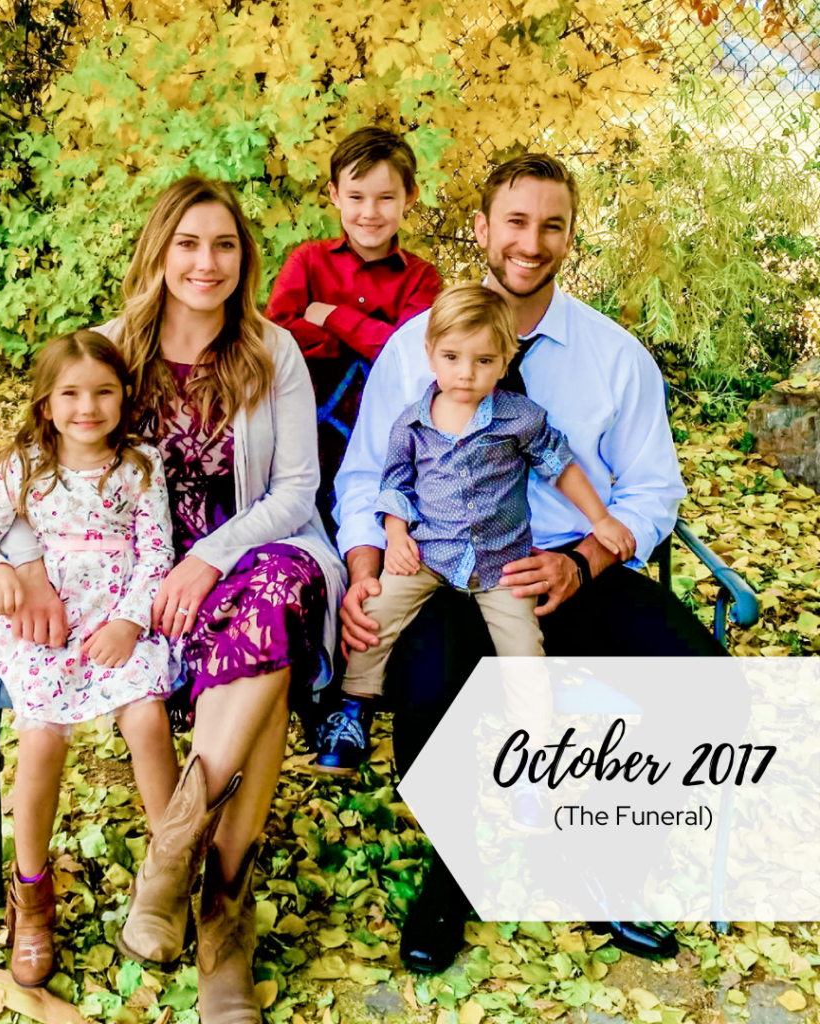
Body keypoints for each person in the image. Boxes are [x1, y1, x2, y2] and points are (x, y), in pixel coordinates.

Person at [332, 154, 745, 970]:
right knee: (424, 684)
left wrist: (586, 559)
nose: (531, 242)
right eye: (514, 222)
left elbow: (654, 490)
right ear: (482, 230)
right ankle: (454, 872)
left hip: (567, 570)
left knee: (705, 686)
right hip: (452, 566)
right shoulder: (420, 348)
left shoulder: (613, 355)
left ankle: (605, 861)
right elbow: (365, 476)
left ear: (568, 234)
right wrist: (370, 558)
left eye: (550, 225)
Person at [0, 177, 346, 1023]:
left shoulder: (273, 352)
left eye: (224, 244)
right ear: (158, 250)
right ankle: (223, 913)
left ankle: (175, 854)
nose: (206, 262)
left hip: (255, 556)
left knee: (275, 600)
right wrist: (31, 568)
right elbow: (21, 475)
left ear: (244, 259)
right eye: (189, 242)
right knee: (264, 681)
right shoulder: (106, 353)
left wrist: (207, 562)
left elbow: (296, 491)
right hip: (127, 591)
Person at [324, 284, 637, 810]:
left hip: (502, 563)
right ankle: (353, 708)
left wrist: (601, 519)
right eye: (451, 357)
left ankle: (533, 766)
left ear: (504, 360)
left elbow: (561, 467)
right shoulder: (413, 421)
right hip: (428, 554)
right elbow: (392, 486)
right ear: (430, 355)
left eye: (483, 360)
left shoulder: (520, 418)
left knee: (523, 657)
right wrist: (395, 537)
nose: (465, 373)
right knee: (373, 615)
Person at [0, 331, 181, 987]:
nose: (88, 407)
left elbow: (156, 554)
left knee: (146, 720)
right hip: (46, 629)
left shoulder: (141, 464)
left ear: (124, 396)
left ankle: (169, 871)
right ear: (46, 403)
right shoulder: (26, 465)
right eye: (71, 393)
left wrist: (131, 620)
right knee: (42, 737)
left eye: (104, 392)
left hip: (117, 617)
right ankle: (32, 896)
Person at [264, 126, 442, 529]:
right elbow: (277, 338)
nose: (369, 213)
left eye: (386, 198)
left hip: (387, 440)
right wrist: (365, 340)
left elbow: (408, 355)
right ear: (334, 194)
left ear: (410, 197)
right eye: (357, 197)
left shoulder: (422, 279)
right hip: (304, 433)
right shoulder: (308, 261)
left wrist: (330, 316)